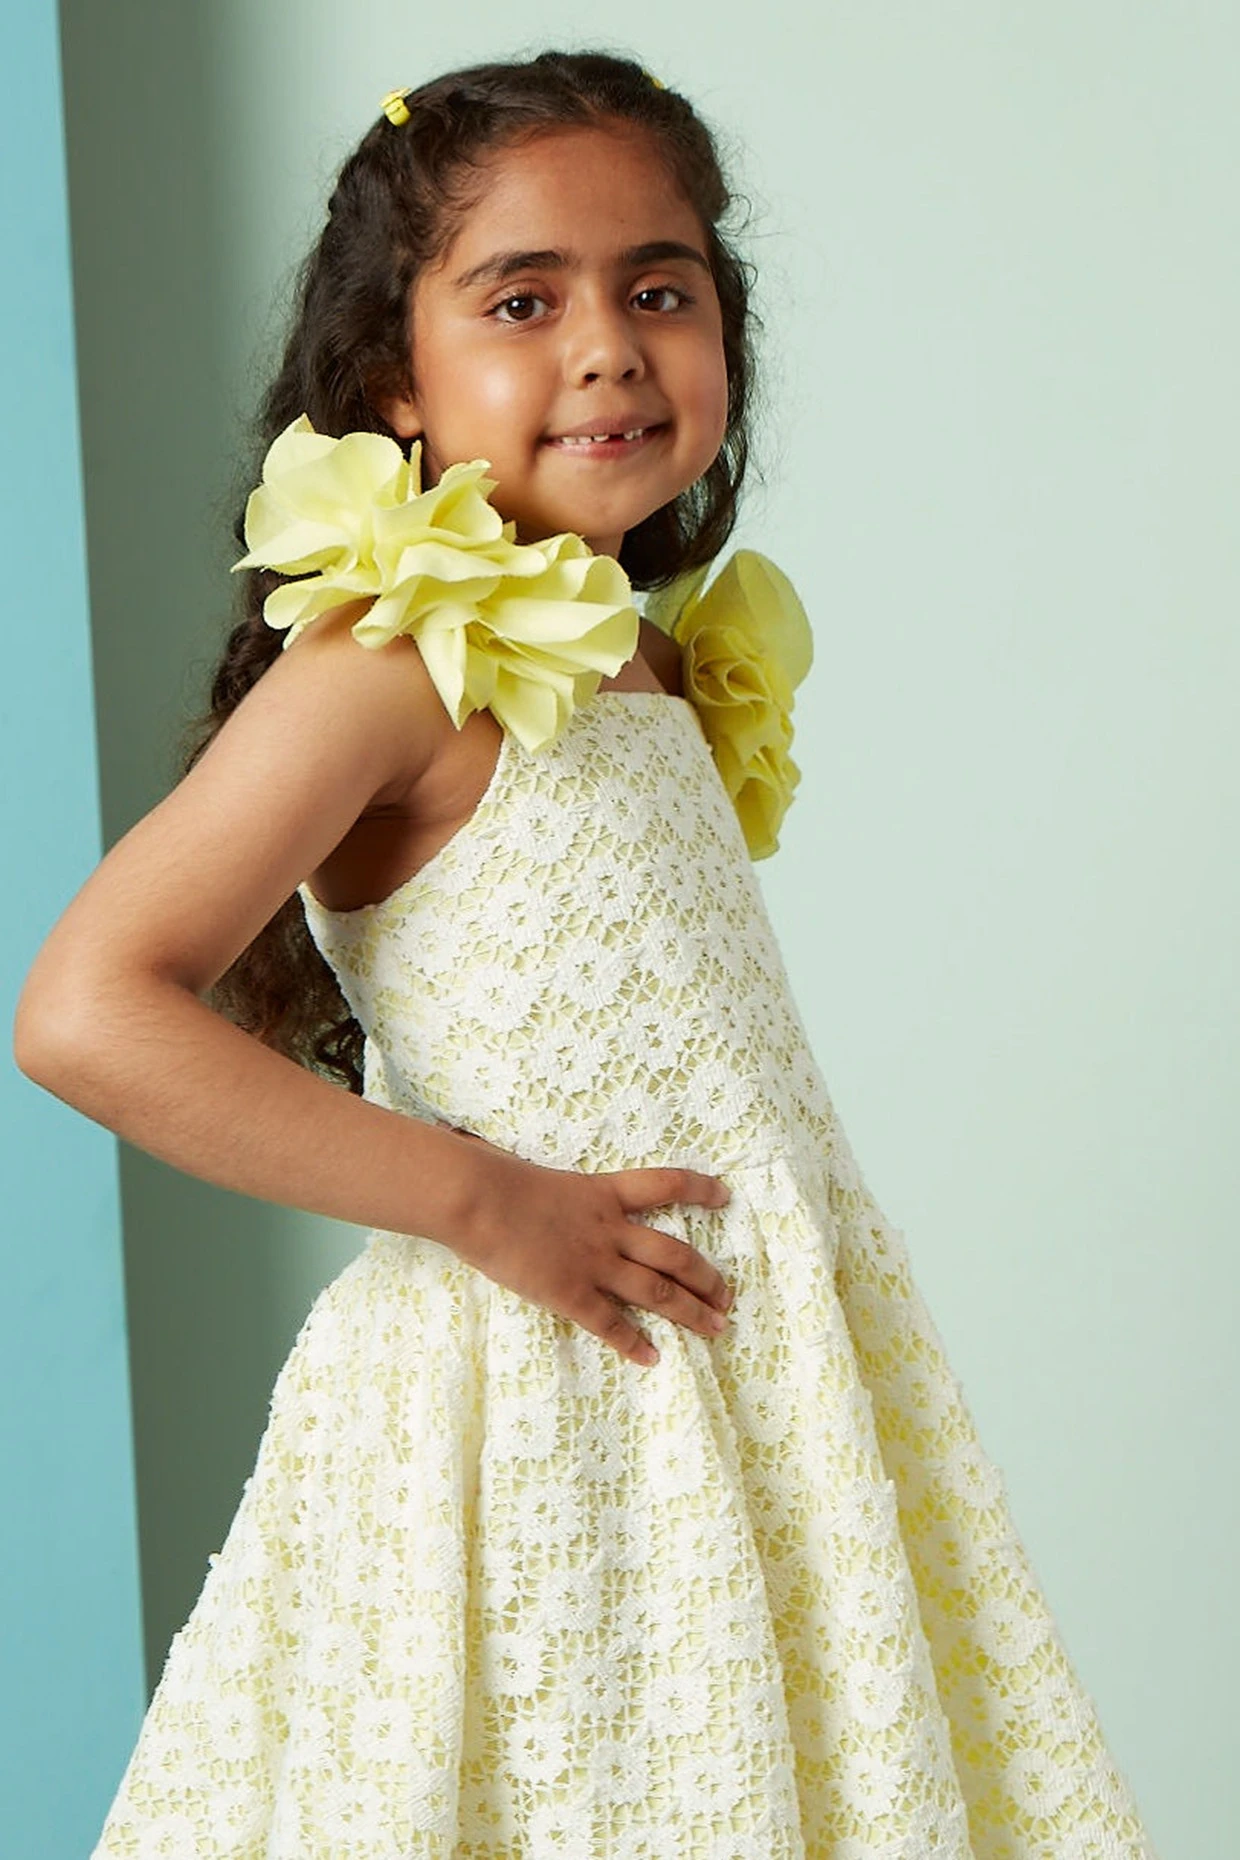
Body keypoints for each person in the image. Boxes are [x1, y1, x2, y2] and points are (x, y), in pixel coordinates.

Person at [15, 47, 1158, 1859]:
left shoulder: (659, 664)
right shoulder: (391, 663)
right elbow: (86, 1009)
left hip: (746, 1387)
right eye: (522, 301)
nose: (610, 348)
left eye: (661, 291)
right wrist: (481, 1202)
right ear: (392, 382)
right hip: (546, 1389)